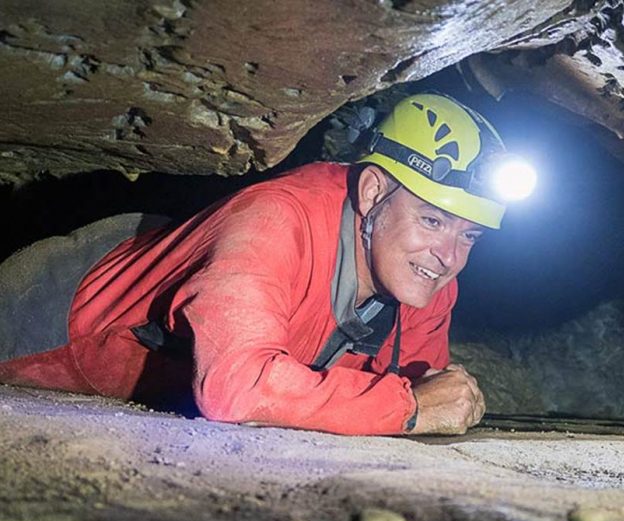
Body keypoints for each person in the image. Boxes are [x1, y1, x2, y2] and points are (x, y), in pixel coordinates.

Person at [0, 93, 511, 436]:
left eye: (470, 235)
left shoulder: (427, 274)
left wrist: (433, 402)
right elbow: (234, 390)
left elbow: (420, 389)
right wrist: (411, 409)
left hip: (194, 276)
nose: (449, 256)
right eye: (432, 221)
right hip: (58, 311)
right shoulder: (276, 218)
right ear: (374, 191)